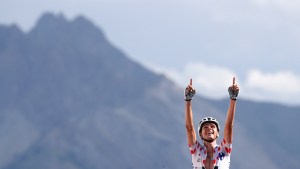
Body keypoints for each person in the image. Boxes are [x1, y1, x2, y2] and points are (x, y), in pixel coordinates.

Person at [184, 77, 239, 169]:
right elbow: (189, 128)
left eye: (213, 126)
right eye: (205, 127)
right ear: (200, 134)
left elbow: (229, 126)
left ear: (218, 133)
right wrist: (188, 100)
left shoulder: (224, 149)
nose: (209, 128)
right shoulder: (196, 150)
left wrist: (233, 99)